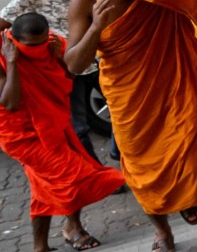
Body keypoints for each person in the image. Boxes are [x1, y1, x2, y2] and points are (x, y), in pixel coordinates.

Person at [64, 0, 197, 252]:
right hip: (129, 96)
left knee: (192, 151)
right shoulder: (87, 0)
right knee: (142, 168)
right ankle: (162, 232)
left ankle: (187, 194)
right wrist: (96, 27)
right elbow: (74, 64)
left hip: (174, 83)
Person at [0, 13, 125, 252]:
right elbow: (10, 102)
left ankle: (41, 246)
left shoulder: (53, 43)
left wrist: (58, 58)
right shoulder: (2, 52)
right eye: (30, 46)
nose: (37, 50)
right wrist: (13, 61)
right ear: (14, 40)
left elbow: (67, 79)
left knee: (43, 188)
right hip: (20, 136)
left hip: (55, 122)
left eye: (40, 43)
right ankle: (149, 185)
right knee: (77, 175)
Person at [0, 0, 101, 163]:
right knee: (78, 127)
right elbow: (4, 21)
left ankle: (119, 154)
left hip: (101, 61)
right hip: (66, 66)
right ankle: (95, 174)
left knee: (124, 112)